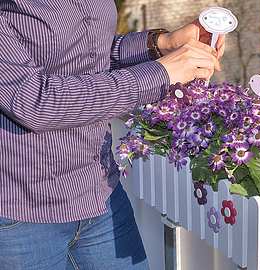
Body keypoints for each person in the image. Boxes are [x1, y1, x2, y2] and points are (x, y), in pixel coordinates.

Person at [0, 1, 226, 269]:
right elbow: (37, 102)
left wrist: (161, 43)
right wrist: (160, 73)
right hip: (25, 216)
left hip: (100, 194)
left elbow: (90, 54)